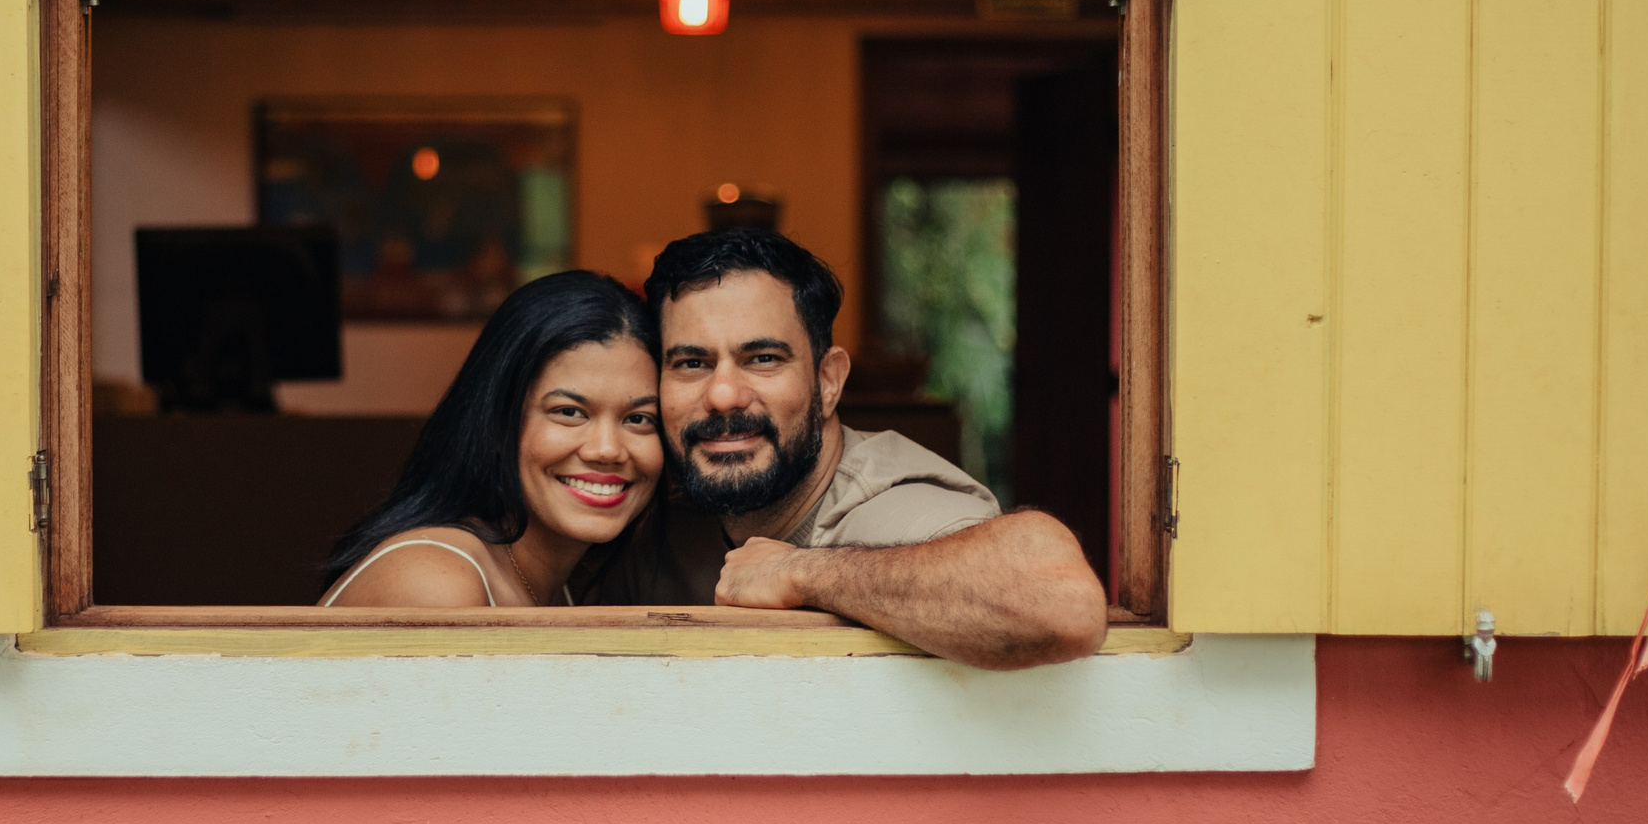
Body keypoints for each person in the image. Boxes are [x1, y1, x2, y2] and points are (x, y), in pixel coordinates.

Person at [585, 228, 1109, 668]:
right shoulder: (660, 510)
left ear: (829, 382)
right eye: (691, 363)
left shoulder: (888, 503)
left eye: (763, 358)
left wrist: (798, 573)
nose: (723, 395)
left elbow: (1063, 603)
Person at [319, 270, 663, 607]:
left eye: (638, 419)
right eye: (570, 412)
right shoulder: (440, 584)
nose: (607, 449)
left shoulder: (569, 586)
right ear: (497, 424)